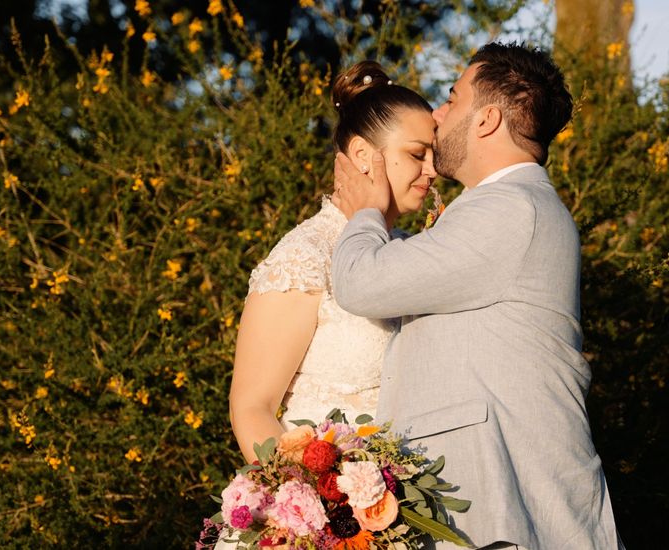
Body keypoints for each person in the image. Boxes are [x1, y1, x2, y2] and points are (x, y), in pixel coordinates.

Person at [331, 42, 624, 549]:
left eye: (451, 98)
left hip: (502, 507)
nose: (437, 116)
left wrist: (366, 210)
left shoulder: (511, 211)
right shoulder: (500, 208)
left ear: (487, 119)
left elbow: (361, 282)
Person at [226, 60, 437, 465]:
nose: (432, 170)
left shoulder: (413, 251)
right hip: (327, 505)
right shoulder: (304, 257)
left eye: (434, 156)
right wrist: (317, 501)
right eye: (417, 154)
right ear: (362, 154)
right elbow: (253, 409)